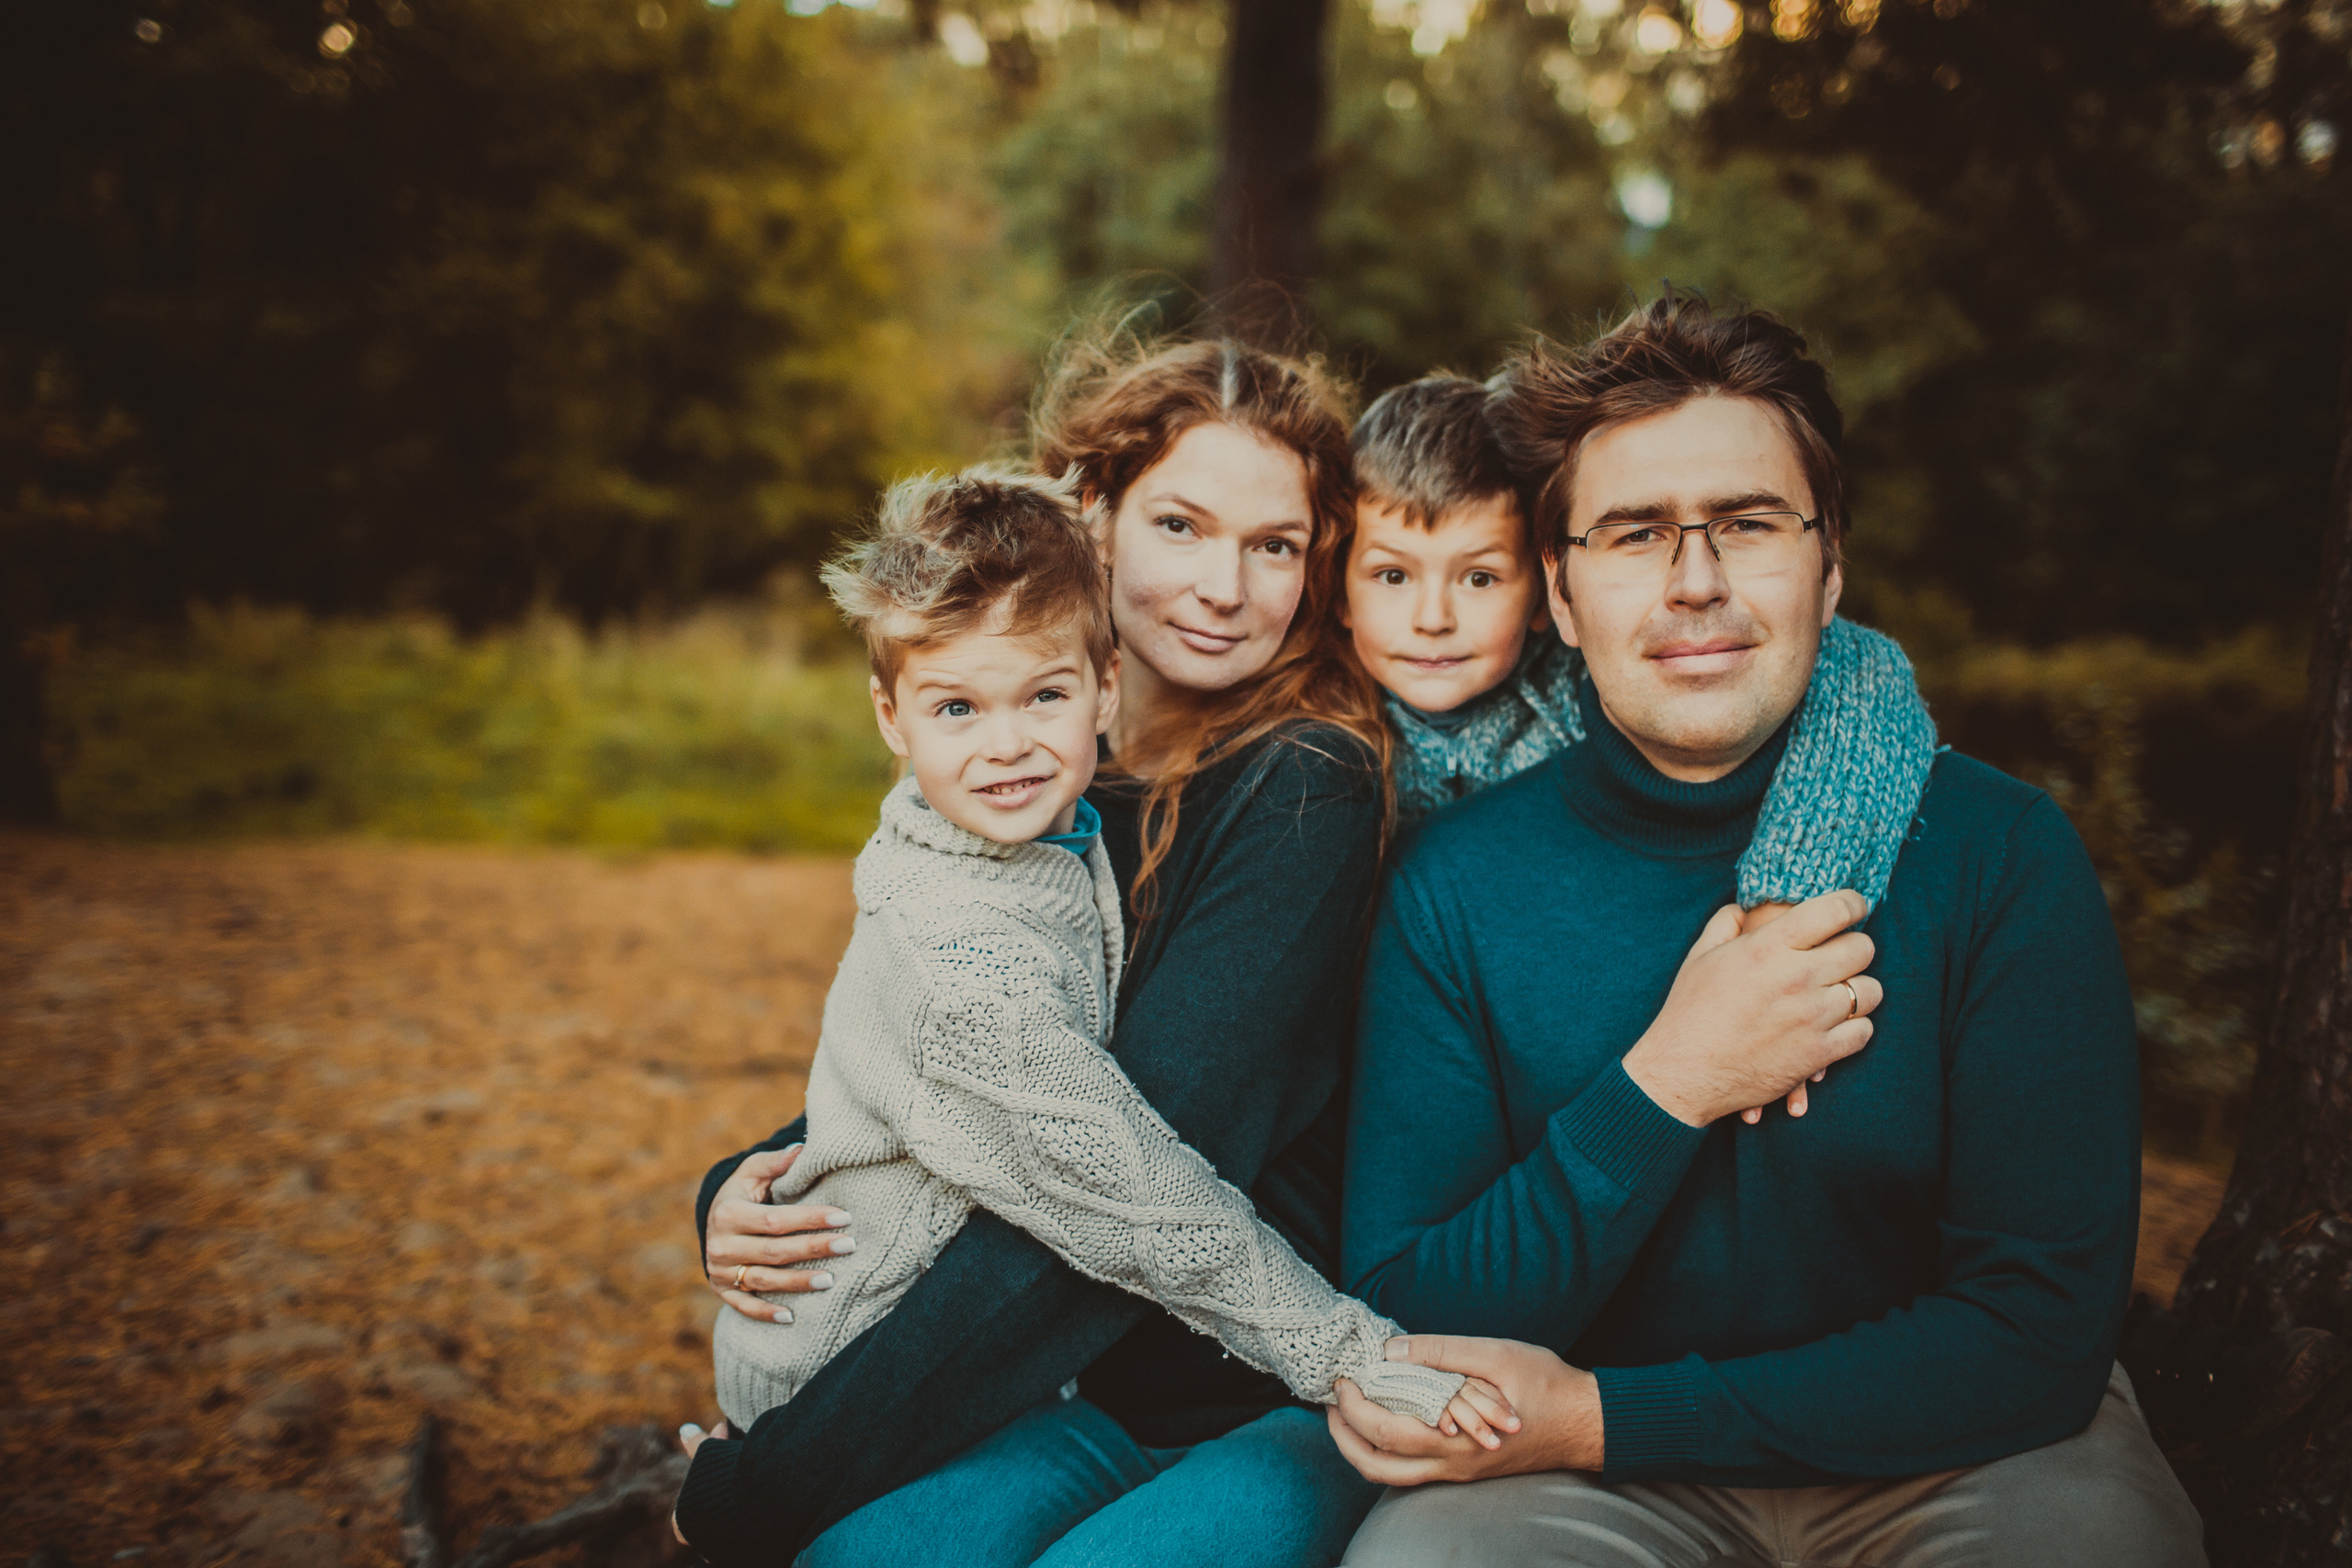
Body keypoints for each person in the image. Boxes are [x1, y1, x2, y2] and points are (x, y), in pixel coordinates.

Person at [1330, 295, 2207, 1566]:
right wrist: (1671, 1081)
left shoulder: (1996, 855)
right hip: (1562, 1484)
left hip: (1969, 1452)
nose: (1697, 583)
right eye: (1634, 535)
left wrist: (1608, 1418)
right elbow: (1409, 1310)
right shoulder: (1454, 888)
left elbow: (2038, 1331)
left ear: (1830, 563)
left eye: (1747, 525)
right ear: (1561, 596)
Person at [676, 334, 1429, 1568]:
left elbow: (1112, 1166)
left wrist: (780, 1481)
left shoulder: (1304, 785)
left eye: (1275, 545)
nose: (1225, 587)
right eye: (1181, 526)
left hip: (1232, 1386)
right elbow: (961, 1050)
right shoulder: (1038, 781)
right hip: (1053, 1390)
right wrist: (750, 1178)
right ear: (1096, 519)